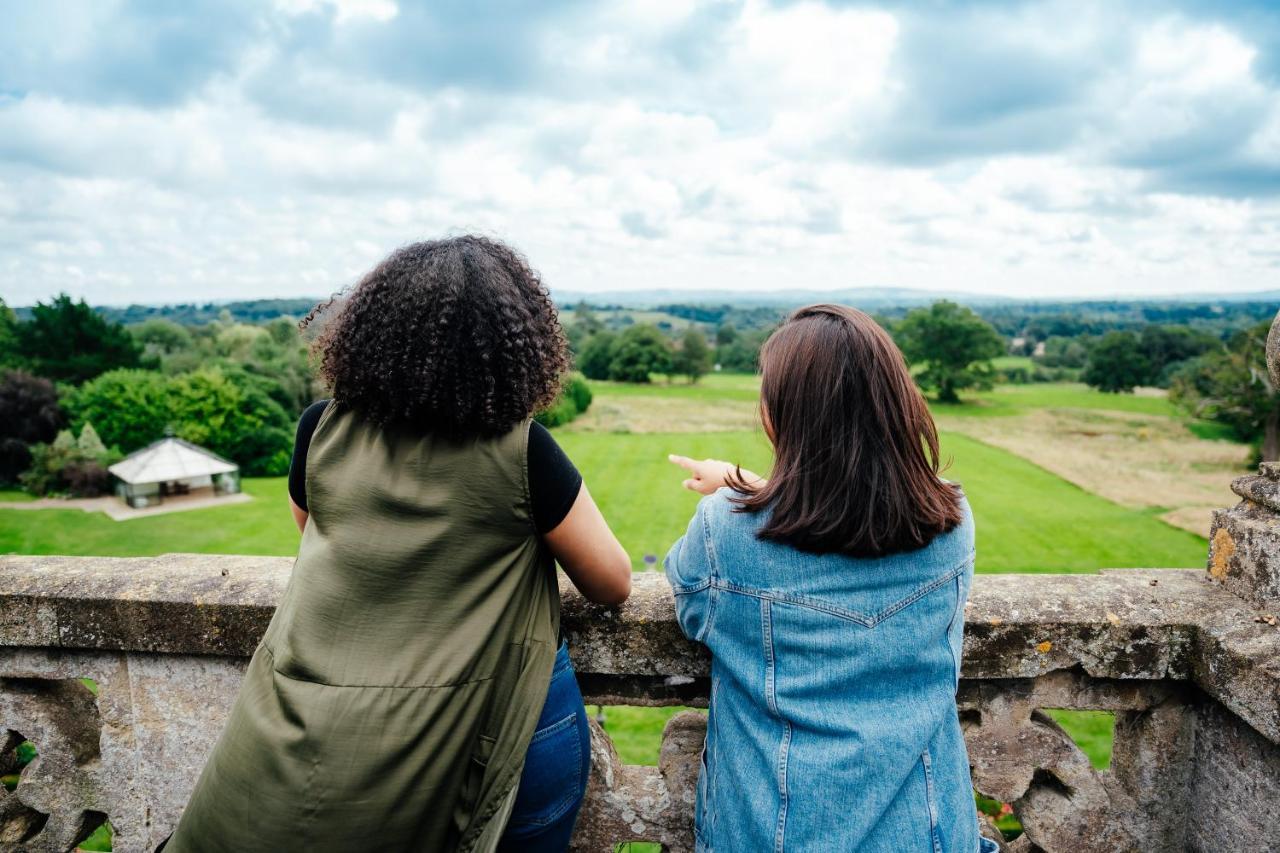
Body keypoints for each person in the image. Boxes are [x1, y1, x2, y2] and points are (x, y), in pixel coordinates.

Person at [164, 236, 631, 853]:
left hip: (319, 729)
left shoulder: (319, 428)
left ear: (373, 332)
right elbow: (611, 583)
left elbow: (319, 536)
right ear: (514, 347)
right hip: (507, 723)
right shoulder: (524, 450)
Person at [665, 303, 996, 853]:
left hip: (775, 833)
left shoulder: (726, 527)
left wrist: (741, 489)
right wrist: (757, 485)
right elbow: (852, 510)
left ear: (783, 416)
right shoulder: (951, 521)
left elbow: (691, 601)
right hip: (931, 829)